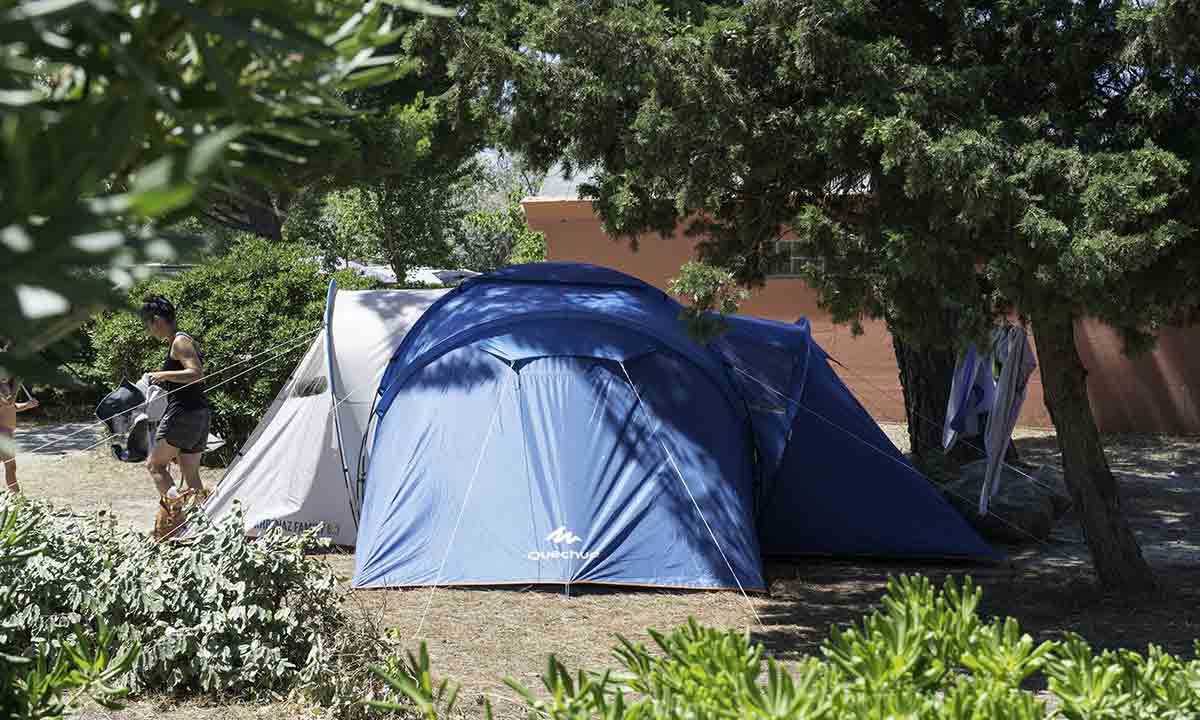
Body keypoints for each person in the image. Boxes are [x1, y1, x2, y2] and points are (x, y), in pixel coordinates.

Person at [140, 296, 210, 537]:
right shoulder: (182, 340)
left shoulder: (179, 342)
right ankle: (203, 528)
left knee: (155, 465)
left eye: (147, 324)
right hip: (199, 413)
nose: (148, 329)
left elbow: (196, 373)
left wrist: (163, 374)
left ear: (157, 320)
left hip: (184, 414)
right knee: (190, 474)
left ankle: (176, 519)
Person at [0, 339, 39, 494]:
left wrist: (27, 405)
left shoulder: (6, 385)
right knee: (10, 465)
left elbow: (10, 407)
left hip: (6, 430)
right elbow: (7, 402)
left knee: (10, 466)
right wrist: (17, 384)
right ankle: (17, 500)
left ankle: (15, 500)